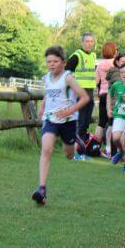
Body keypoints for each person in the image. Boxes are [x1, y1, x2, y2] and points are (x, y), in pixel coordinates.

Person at [32, 46, 89, 205]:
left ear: (63, 62)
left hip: (68, 122)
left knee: (69, 155)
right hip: (51, 119)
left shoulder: (68, 78)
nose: (52, 64)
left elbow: (84, 98)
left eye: (55, 61)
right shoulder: (46, 78)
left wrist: (69, 111)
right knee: (46, 149)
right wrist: (43, 106)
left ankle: (76, 143)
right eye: (49, 61)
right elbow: (48, 93)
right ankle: (42, 189)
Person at [66, 33, 96, 139]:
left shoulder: (93, 56)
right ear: (82, 42)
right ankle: (75, 146)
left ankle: (81, 144)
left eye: (91, 41)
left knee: (86, 121)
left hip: (90, 91)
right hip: (79, 92)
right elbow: (66, 72)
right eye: (87, 41)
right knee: (80, 120)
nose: (89, 44)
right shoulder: (76, 55)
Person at [93, 42, 118, 146]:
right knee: (113, 123)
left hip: (103, 95)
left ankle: (95, 146)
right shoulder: (116, 64)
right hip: (113, 96)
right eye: (116, 49)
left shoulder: (100, 65)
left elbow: (95, 81)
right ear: (114, 51)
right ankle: (110, 147)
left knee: (101, 123)